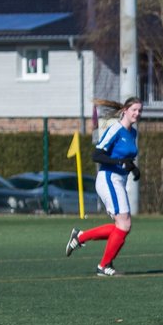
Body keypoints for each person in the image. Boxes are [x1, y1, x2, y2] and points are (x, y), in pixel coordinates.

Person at [65, 97, 142, 276]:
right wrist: (120, 162)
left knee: (121, 226)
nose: (137, 114)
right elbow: (97, 155)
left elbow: (125, 158)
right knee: (125, 224)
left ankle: (80, 237)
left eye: (140, 110)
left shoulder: (133, 133)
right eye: (134, 110)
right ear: (125, 110)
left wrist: (133, 169)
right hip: (108, 178)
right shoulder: (115, 129)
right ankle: (103, 266)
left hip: (119, 180)